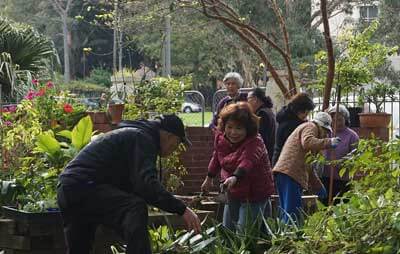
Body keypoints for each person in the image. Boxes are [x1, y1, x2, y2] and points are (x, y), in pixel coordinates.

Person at [57, 114, 201, 254]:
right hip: (85, 186)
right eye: (175, 145)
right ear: (169, 136)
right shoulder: (144, 139)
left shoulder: (135, 135)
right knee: (135, 208)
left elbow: (137, 186)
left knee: (80, 249)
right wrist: (182, 209)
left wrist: (174, 200)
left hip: (69, 187)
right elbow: (147, 185)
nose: (173, 150)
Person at [201, 102, 275, 231]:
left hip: (254, 193)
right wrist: (209, 178)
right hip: (233, 190)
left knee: (245, 232)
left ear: (248, 128)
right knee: (228, 229)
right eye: (229, 127)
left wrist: (235, 177)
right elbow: (217, 157)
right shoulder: (221, 139)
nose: (233, 132)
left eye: (239, 128)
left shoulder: (255, 142)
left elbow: (247, 161)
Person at [272, 112, 341, 223]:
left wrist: (317, 186)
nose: (326, 135)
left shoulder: (311, 135)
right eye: (325, 131)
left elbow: (309, 167)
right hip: (291, 173)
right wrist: (329, 142)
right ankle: (290, 237)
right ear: (320, 126)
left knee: (288, 211)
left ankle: (287, 235)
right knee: (292, 212)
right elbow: (307, 142)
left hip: (287, 173)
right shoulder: (311, 126)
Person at [320, 105, 359, 205]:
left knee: (341, 204)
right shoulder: (327, 133)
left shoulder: (352, 136)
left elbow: (355, 155)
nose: (337, 122)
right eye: (333, 119)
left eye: (340, 119)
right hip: (326, 176)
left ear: (345, 119)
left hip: (342, 178)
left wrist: (341, 162)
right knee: (325, 203)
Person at [272, 93, 315, 166]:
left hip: (280, 161)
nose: (306, 116)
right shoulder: (291, 125)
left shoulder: (286, 117)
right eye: (306, 113)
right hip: (286, 164)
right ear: (299, 110)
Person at [247, 87, 276, 162]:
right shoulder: (267, 111)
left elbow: (260, 136)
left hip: (264, 155)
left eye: (248, 99)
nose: (247, 102)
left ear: (255, 99)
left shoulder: (262, 113)